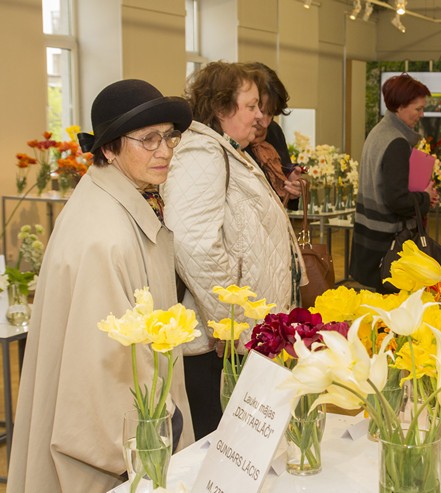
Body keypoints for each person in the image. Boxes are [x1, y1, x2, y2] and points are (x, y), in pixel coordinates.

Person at [8, 79, 195, 492]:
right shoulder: (104, 235)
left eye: (169, 136)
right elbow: (104, 380)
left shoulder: (117, 197)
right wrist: (157, 432)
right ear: (109, 148)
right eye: (148, 139)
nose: (164, 150)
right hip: (113, 460)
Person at [161, 62, 305, 439]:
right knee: (223, 444)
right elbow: (194, 244)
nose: (261, 116)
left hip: (237, 338)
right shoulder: (203, 154)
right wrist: (232, 323)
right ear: (222, 107)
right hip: (220, 346)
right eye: (252, 106)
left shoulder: (226, 149)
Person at [350, 73, 439, 292]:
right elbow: (397, 199)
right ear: (400, 106)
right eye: (417, 109)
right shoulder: (397, 142)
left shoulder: (378, 132)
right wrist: (426, 197)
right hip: (388, 246)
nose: (421, 114)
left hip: (370, 241)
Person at [243, 62, 302, 208]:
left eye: (271, 113)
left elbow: (286, 176)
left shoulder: (274, 132)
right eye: (260, 111)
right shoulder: (233, 138)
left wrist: (294, 189)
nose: (265, 123)